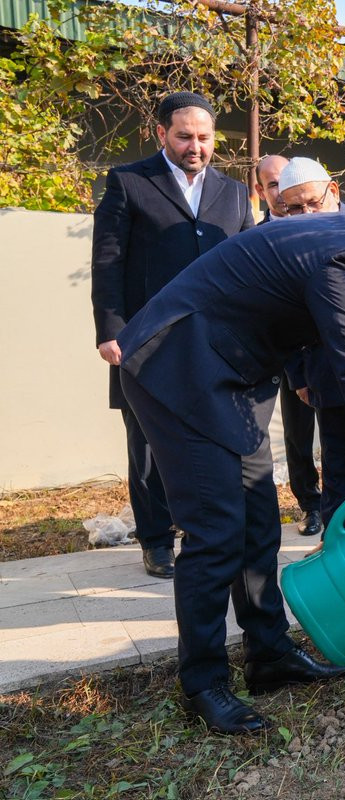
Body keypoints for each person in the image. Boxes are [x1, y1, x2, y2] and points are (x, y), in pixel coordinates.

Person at [116, 181, 345, 734]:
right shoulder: (343, 257)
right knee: (216, 530)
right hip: (178, 370)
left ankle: (269, 655)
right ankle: (203, 683)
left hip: (224, 378)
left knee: (258, 522)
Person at [91, 91, 255, 579]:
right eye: (184, 137)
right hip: (146, 340)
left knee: (210, 436)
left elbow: (247, 263)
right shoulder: (129, 182)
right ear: (161, 133)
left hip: (214, 342)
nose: (196, 147)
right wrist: (110, 330)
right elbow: (107, 262)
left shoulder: (234, 193)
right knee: (146, 445)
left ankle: (203, 530)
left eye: (204, 137)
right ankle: (156, 540)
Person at [276, 157, 345, 533]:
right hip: (327, 374)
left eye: (313, 202)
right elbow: (284, 318)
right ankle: (341, 549)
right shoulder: (284, 242)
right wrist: (298, 376)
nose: (306, 214)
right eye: (295, 208)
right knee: (340, 474)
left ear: (333, 191)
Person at [254, 154, 324, 537]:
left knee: (340, 433)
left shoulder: (322, 220)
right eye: (272, 185)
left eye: (285, 181)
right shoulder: (257, 237)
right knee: (298, 436)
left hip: (325, 348)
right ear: (260, 191)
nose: (281, 192)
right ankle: (310, 504)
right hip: (284, 354)